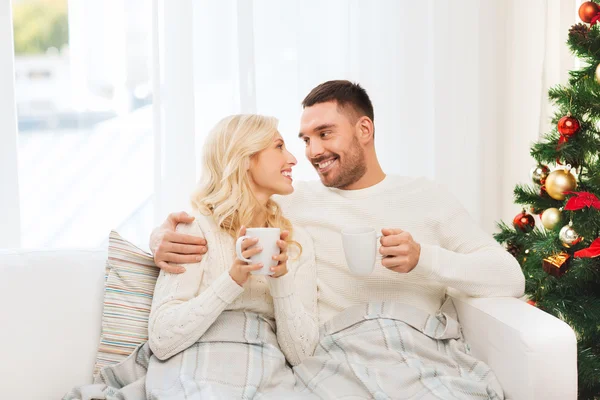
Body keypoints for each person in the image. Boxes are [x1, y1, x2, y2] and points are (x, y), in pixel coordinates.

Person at [150, 80, 525, 399]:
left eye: (325, 134)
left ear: (364, 130)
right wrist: (159, 239)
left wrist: (424, 258)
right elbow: (226, 210)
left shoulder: (428, 197)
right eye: (305, 139)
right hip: (339, 352)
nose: (312, 153)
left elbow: (509, 277)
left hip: (419, 345)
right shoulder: (291, 204)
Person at [64, 114, 318, 400]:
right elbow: (162, 339)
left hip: (263, 368)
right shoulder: (194, 231)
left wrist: (280, 279)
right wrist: (232, 280)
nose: (294, 158)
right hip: (195, 367)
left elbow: (302, 354)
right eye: (279, 146)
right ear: (245, 158)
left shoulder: (296, 243)